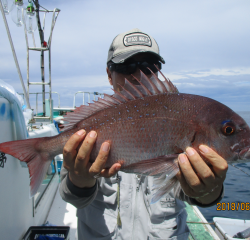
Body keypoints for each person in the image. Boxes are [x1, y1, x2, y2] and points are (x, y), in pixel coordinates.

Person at [59, 28, 227, 240]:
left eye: (149, 67)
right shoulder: (93, 125)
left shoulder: (180, 117)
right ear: (109, 75)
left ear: (157, 72)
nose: (138, 76)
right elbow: (73, 198)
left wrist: (208, 190)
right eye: (127, 66)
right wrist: (79, 178)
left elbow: (191, 193)